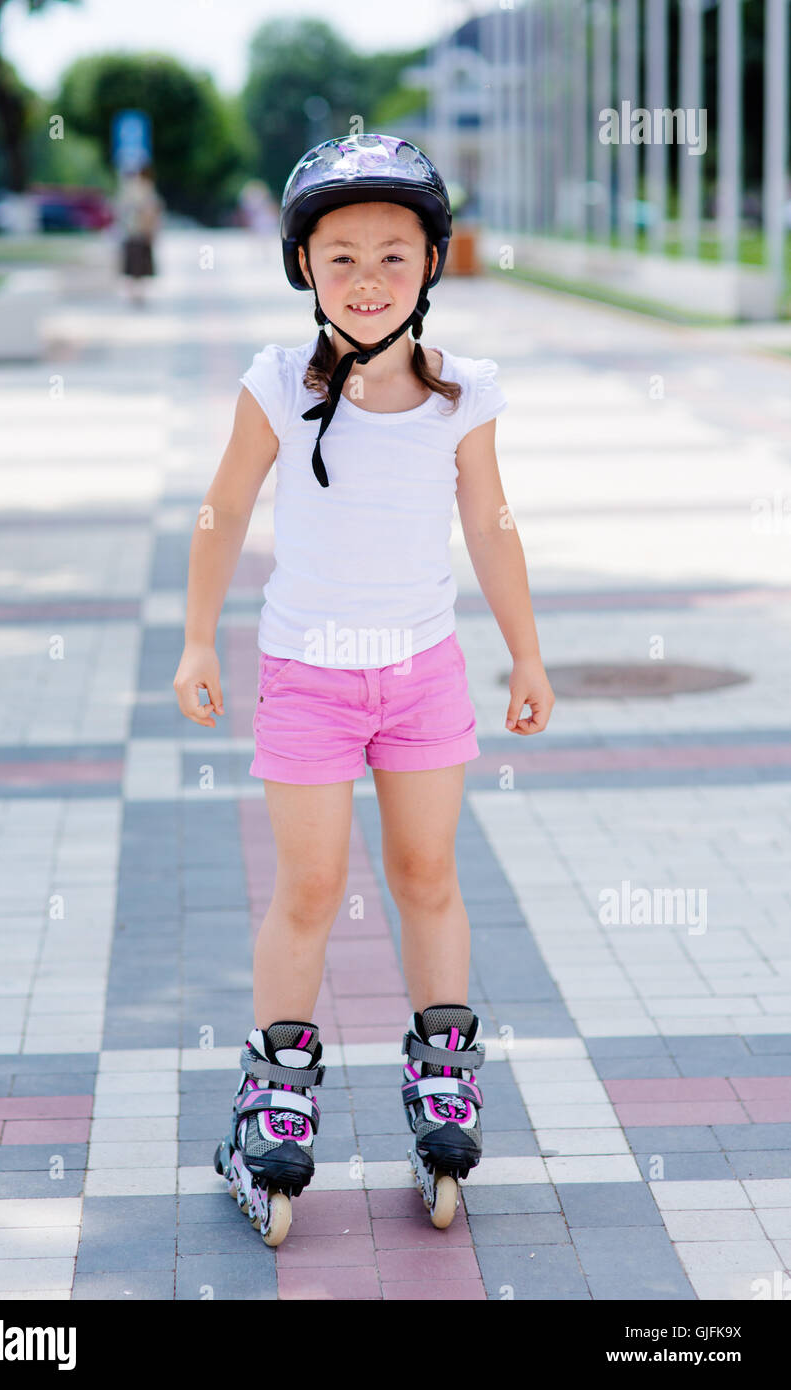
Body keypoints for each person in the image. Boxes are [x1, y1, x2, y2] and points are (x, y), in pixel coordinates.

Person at [172, 133, 556, 1246]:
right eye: (340, 257)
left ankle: (443, 1075)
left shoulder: (462, 393)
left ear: (432, 264)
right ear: (302, 268)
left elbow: (489, 526)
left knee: (426, 873)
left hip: (424, 673)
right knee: (308, 885)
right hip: (305, 675)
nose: (369, 277)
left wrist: (525, 653)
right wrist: (199, 641)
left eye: (394, 253)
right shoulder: (275, 384)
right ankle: (272, 1091)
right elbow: (223, 510)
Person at [115, 162, 162, 306]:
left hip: (133, 232)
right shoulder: (144, 189)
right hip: (138, 232)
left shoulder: (131, 188)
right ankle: (137, 294)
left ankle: (135, 294)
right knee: (138, 266)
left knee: (135, 266)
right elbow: (152, 211)